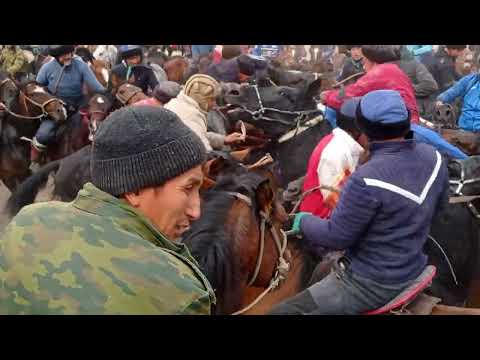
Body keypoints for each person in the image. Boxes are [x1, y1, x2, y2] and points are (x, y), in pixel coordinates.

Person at [0, 106, 216, 315]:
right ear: (135, 189)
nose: (195, 212)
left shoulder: (28, 218)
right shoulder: (179, 294)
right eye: (188, 188)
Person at [269, 90, 449, 315]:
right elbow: (440, 208)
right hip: (414, 266)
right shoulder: (434, 157)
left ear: (362, 130)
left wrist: (303, 221)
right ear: (407, 123)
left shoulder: (365, 178)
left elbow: (336, 237)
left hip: (370, 284)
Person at [33, 45, 107, 163]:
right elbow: (38, 87)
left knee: (95, 128)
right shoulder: (47, 68)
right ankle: (36, 160)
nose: (68, 57)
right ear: (56, 57)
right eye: (64, 55)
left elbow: (96, 86)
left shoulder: (81, 65)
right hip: (55, 108)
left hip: (79, 106)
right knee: (43, 135)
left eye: (69, 53)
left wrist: (108, 92)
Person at [300, 98, 368, 219]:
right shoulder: (337, 153)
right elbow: (339, 204)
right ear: (357, 131)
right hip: (322, 221)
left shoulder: (346, 144)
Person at [321, 45, 420, 123]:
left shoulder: (379, 73)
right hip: (409, 120)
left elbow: (350, 95)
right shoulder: (395, 69)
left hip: (396, 125)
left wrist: (328, 96)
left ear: (372, 61)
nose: (363, 66)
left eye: (364, 60)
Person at [165, 74, 244, 151]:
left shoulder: (180, 104)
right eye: (212, 99)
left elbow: (199, 135)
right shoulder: (191, 116)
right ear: (201, 98)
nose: (214, 104)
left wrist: (224, 139)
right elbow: (205, 152)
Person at [393, 46, 438, 119]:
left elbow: (430, 85)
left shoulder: (412, 63)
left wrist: (404, 89)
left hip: (417, 113)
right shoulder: (380, 64)